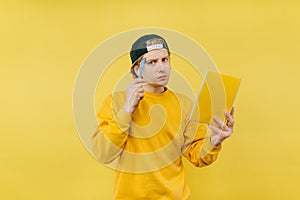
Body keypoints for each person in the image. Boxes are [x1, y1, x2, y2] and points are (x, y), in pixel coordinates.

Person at [92, 34, 235, 200]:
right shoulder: (116, 102)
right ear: (137, 69)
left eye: (165, 60)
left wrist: (214, 141)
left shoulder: (184, 104)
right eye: (152, 62)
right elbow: (103, 153)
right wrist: (127, 111)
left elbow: (197, 156)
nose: (162, 68)